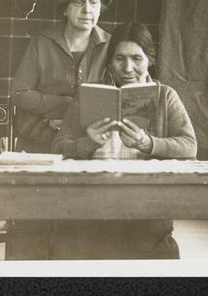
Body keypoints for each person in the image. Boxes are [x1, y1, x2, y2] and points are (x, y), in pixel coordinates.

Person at [50, 21, 197, 259]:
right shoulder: (90, 94)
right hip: (92, 203)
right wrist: (88, 142)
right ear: (110, 62)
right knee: (71, 243)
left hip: (144, 206)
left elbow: (189, 146)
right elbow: (58, 147)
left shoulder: (165, 96)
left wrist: (148, 143)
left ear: (150, 59)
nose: (127, 68)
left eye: (136, 59)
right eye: (119, 59)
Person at [6, 0, 112, 259]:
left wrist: (75, 119)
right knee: (32, 227)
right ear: (65, 9)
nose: (87, 10)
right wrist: (67, 106)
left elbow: (114, 99)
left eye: (94, 2)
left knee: (83, 230)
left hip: (85, 148)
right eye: (79, 2)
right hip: (38, 144)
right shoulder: (42, 42)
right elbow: (19, 94)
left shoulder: (109, 45)